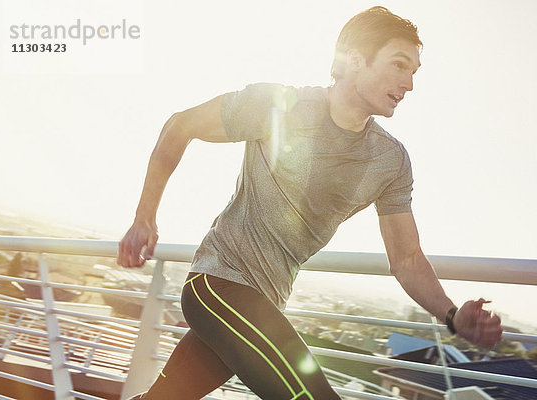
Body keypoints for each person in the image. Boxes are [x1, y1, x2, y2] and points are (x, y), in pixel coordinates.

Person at [118, 6, 503, 400]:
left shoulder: (390, 161)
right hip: (218, 283)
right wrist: (144, 218)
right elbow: (181, 124)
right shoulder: (279, 105)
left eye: (414, 73)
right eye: (399, 65)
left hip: (266, 304)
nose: (408, 83)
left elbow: (406, 259)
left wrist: (453, 316)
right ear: (353, 58)